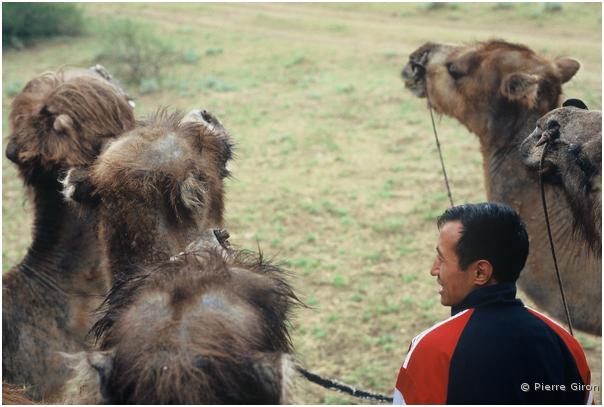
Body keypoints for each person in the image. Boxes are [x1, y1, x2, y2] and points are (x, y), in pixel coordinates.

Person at [393, 202, 592, 404]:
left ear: (480, 272)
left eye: (441, 259)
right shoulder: (566, 344)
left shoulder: (434, 350)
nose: (433, 270)